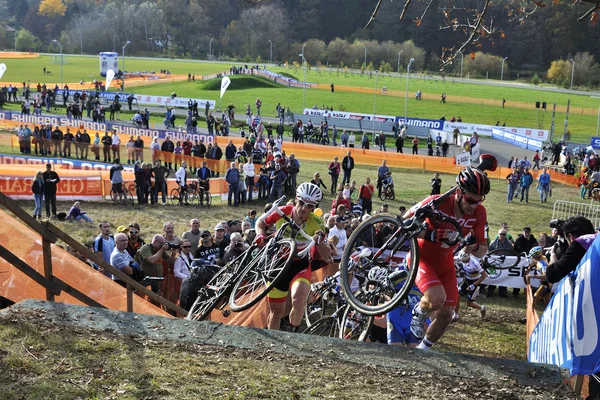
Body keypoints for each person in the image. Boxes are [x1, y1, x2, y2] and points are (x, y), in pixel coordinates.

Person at [408, 167, 490, 350]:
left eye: (479, 201)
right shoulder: (436, 202)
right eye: (470, 200)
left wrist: (474, 247)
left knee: (447, 314)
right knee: (436, 300)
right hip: (422, 258)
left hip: (445, 264)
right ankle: (419, 310)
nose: (473, 206)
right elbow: (403, 224)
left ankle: (422, 351)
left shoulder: (479, 213)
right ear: (459, 192)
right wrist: (430, 234)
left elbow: (483, 249)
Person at [255, 182, 326, 331]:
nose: (304, 208)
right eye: (302, 203)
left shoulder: (317, 222)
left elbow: (326, 255)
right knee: (276, 312)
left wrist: (320, 242)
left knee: (298, 300)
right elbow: (261, 222)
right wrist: (260, 234)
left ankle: (293, 332)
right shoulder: (283, 211)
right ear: (296, 199)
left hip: (299, 265)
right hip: (278, 263)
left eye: (310, 206)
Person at [545, 216, 596, 284]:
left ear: (570, 236)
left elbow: (551, 275)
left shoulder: (580, 243)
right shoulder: (596, 238)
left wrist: (553, 256)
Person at [453, 250, 487, 322]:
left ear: (468, 257)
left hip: (475, 281)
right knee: (457, 296)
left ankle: (482, 308)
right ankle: (455, 315)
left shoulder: (475, 263)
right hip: (467, 280)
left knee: (469, 303)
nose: (463, 261)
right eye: (462, 260)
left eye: (464, 260)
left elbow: (484, 275)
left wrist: (474, 285)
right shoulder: (460, 259)